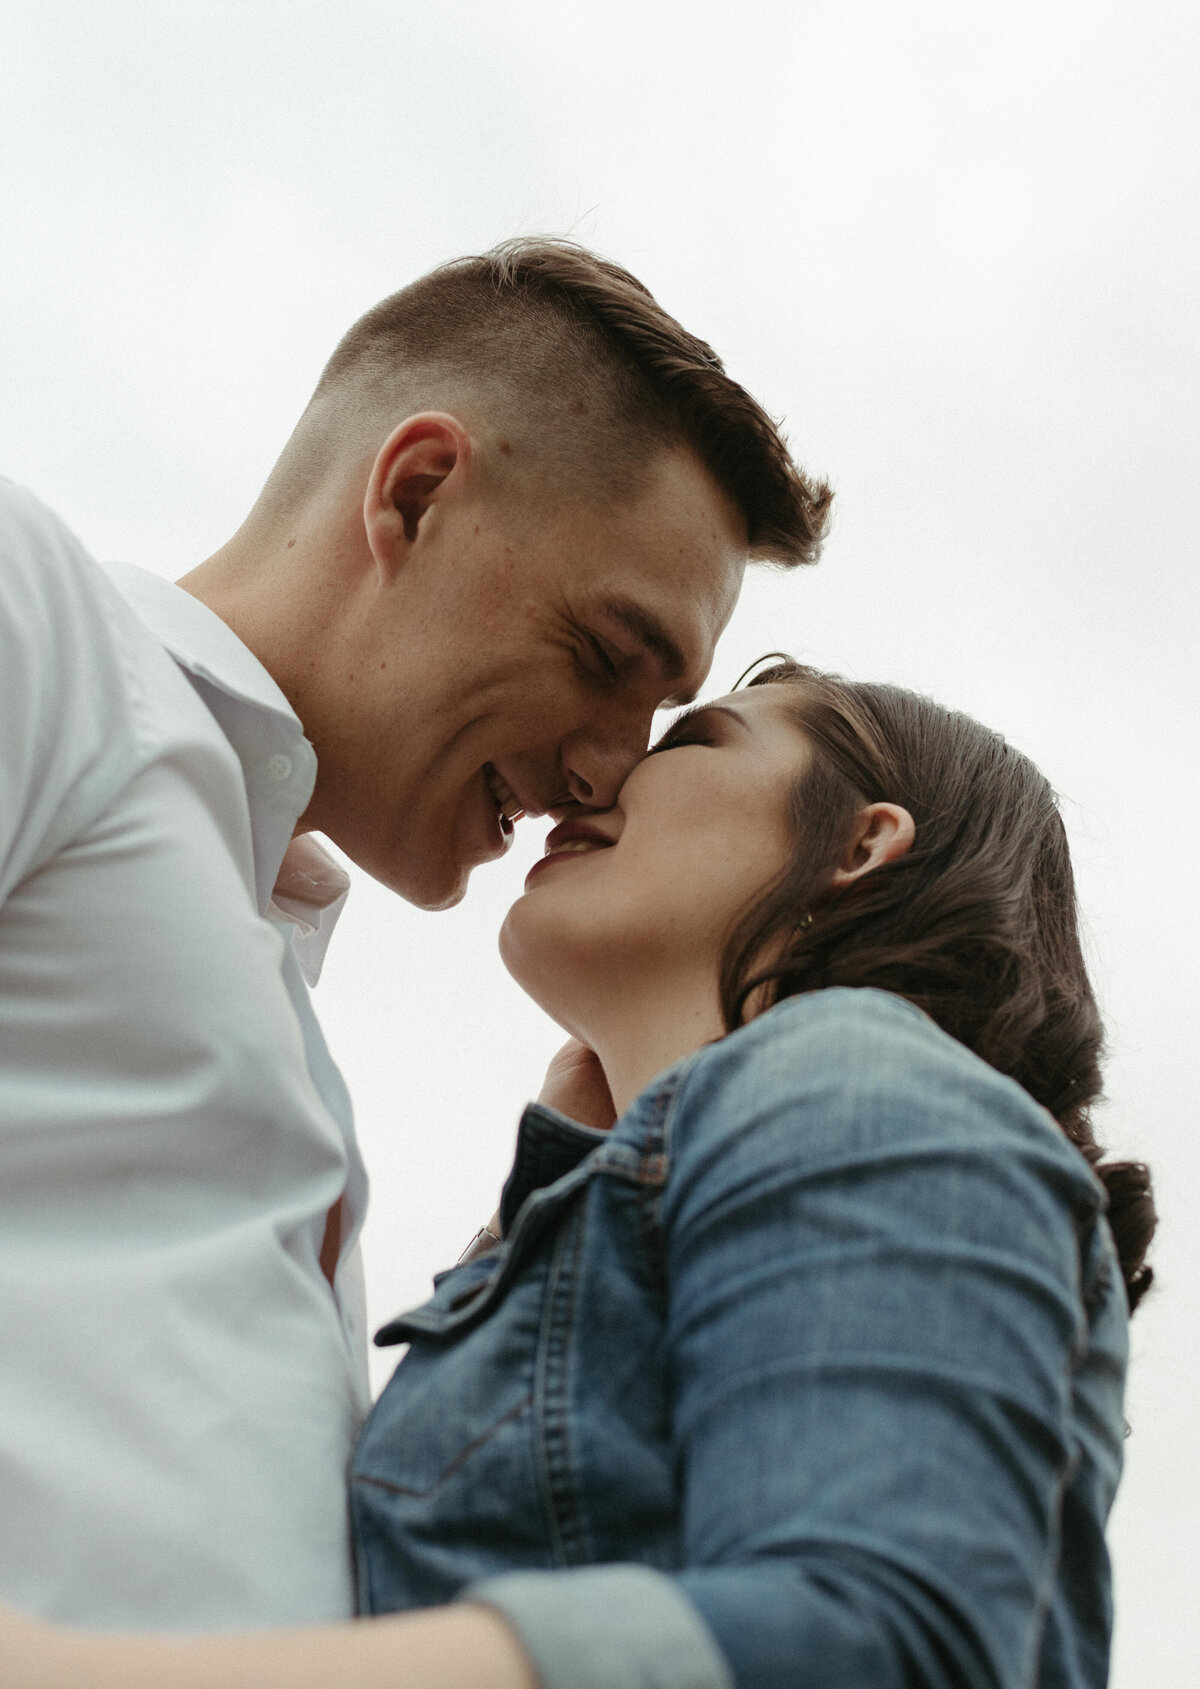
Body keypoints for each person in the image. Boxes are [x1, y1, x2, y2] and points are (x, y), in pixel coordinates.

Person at [0, 662, 1156, 1689]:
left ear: (859, 844)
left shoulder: (859, 1077)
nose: (593, 783)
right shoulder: (618, 1195)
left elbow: (881, 1643)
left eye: (693, 742)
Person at [0, 242, 830, 1629]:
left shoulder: (270, 962)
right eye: (609, 657)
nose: (615, 769)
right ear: (418, 492)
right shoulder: (42, 628)